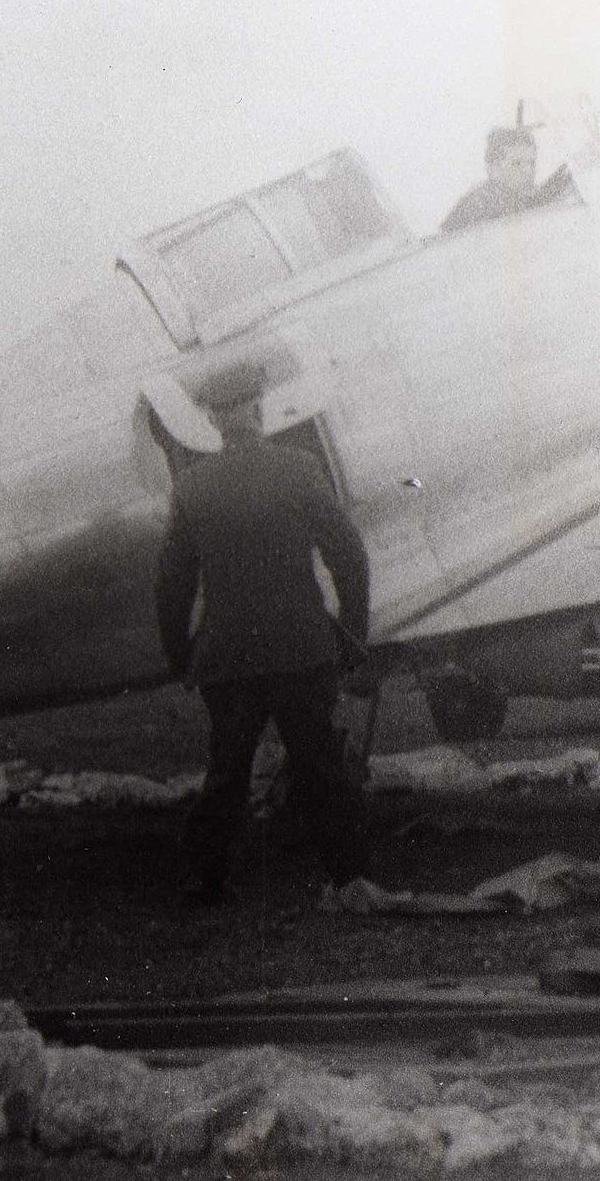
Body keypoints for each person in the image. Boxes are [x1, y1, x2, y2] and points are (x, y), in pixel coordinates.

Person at [155, 360, 373, 904]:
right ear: (258, 410)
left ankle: (207, 881)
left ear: (214, 424)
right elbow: (348, 556)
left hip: (229, 658)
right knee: (319, 765)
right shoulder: (299, 469)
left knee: (227, 772)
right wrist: (352, 635)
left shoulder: (193, 487)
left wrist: (180, 655)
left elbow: (171, 583)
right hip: (301, 649)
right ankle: (347, 878)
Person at [438, 125, 578, 233]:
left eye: (531, 163)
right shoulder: (478, 202)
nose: (528, 171)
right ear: (493, 169)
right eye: (517, 164)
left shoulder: (532, 193)